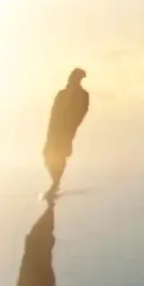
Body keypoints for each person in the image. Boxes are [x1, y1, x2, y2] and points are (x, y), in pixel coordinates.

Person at [42, 68, 90, 197]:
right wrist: (51, 128)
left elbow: (82, 113)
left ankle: (55, 183)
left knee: (59, 154)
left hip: (66, 130)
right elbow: (54, 112)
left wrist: (71, 127)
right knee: (48, 154)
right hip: (55, 129)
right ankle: (55, 182)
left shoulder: (82, 95)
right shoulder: (62, 93)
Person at [16, 205, 57, 286]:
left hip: (36, 251)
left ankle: (51, 200)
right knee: (46, 221)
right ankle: (51, 201)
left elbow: (51, 279)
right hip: (36, 251)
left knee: (45, 221)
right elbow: (51, 279)